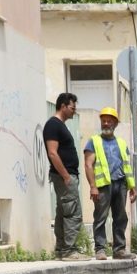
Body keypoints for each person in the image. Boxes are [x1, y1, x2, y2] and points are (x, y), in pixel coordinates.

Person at [84, 107, 137, 260]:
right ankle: (100, 249)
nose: (106, 123)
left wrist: (132, 186)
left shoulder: (121, 143)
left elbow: (127, 166)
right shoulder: (94, 141)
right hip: (103, 185)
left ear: (115, 123)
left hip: (121, 184)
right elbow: (88, 165)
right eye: (103, 121)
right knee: (100, 217)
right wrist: (93, 186)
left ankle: (119, 250)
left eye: (109, 121)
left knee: (121, 217)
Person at [44, 93, 90, 261]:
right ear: (63, 106)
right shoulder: (53, 125)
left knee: (63, 212)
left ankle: (62, 249)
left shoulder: (60, 125)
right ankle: (69, 250)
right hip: (65, 177)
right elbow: (52, 153)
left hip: (67, 176)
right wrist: (66, 176)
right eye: (72, 108)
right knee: (72, 213)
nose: (74, 111)